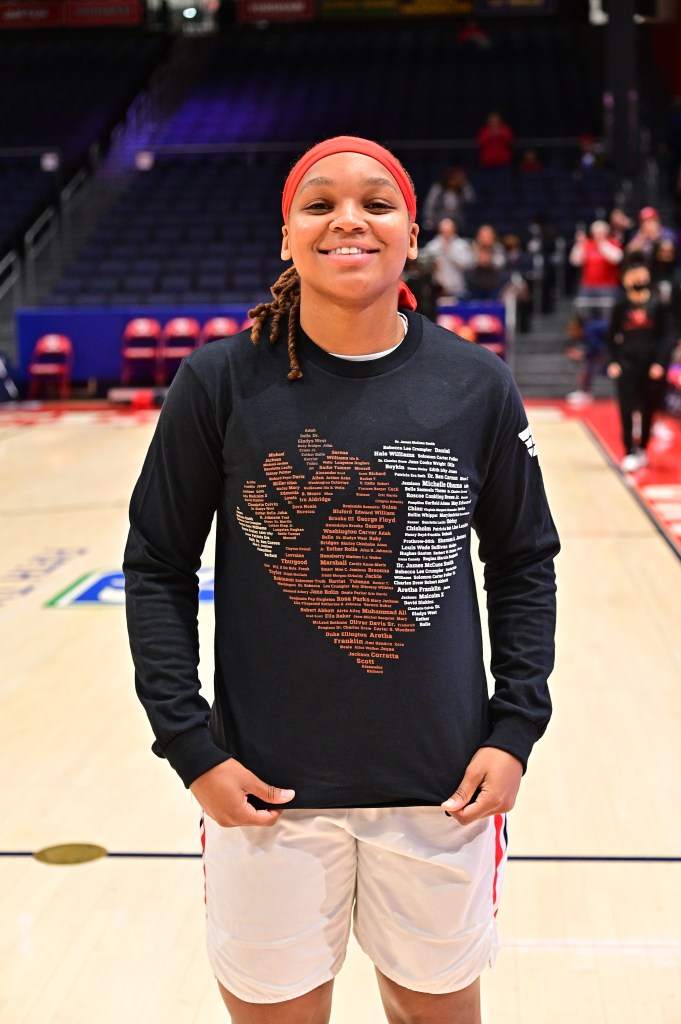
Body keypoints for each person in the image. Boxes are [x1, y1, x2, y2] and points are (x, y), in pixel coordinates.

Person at [123, 136, 560, 1024]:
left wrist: (514, 731)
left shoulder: (476, 385)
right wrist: (191, 748)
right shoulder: (218, 383)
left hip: (442, 791)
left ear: (412, 234)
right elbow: (156, 567)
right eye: (319, 204)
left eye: (376, 202)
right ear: (286, 237)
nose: (347, 219)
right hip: (264, 801)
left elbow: (522, 564)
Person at [606, 261, 673, 472]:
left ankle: (642, 447)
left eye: (640, 275)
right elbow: (610, 336)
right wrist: (613, 361)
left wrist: (660, 363)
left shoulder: (657, 305)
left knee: (648, 407)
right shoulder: (620, 306)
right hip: (627, 363)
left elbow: (666, 336)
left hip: (650, 365)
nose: (637, 280)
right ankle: (629, 450)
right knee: (626, 407)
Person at [569, 219, 623, 320]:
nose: (599, 234)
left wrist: (602, 244)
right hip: (588, 286)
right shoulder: (587, 244)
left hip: (607, 287)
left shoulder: (612, 243)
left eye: (601, 232)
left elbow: (617, 258)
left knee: (608, 316)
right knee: (584, 314)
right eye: (596, 232)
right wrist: (579, 245)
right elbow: (575, 261)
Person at [421, 216, 474, 300]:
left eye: (448, 229)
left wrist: (450, 251)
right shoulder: (433, 246)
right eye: (444, 229)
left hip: (458, 289)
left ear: (454, 229)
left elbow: (467, 264)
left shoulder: (461, 245)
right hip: (438, 290)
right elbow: (425, 262)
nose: (446, 232)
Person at [422, 166, 476, 233]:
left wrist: (464, 183)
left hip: (457, 221)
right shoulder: (438, 189)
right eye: (452, 178)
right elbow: (429, 205)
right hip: (439, 220)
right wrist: (429, 220)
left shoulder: (461, 189)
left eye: (456, 179)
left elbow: (470, 199)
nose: (454, 181)